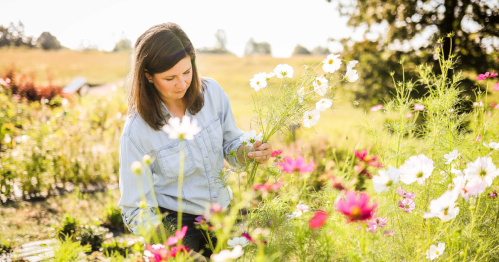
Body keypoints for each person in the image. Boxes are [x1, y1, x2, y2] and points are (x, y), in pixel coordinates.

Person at [117, 22, 272, 258]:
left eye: (187, 72)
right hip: (178, 227)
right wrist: (172, 247)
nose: (182, 84)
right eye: (170, 78)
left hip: (223, 214)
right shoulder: (136, 131)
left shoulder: (212, 93)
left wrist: (249, 151)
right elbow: (134, 209)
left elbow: (230, 145)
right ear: (147, 76)